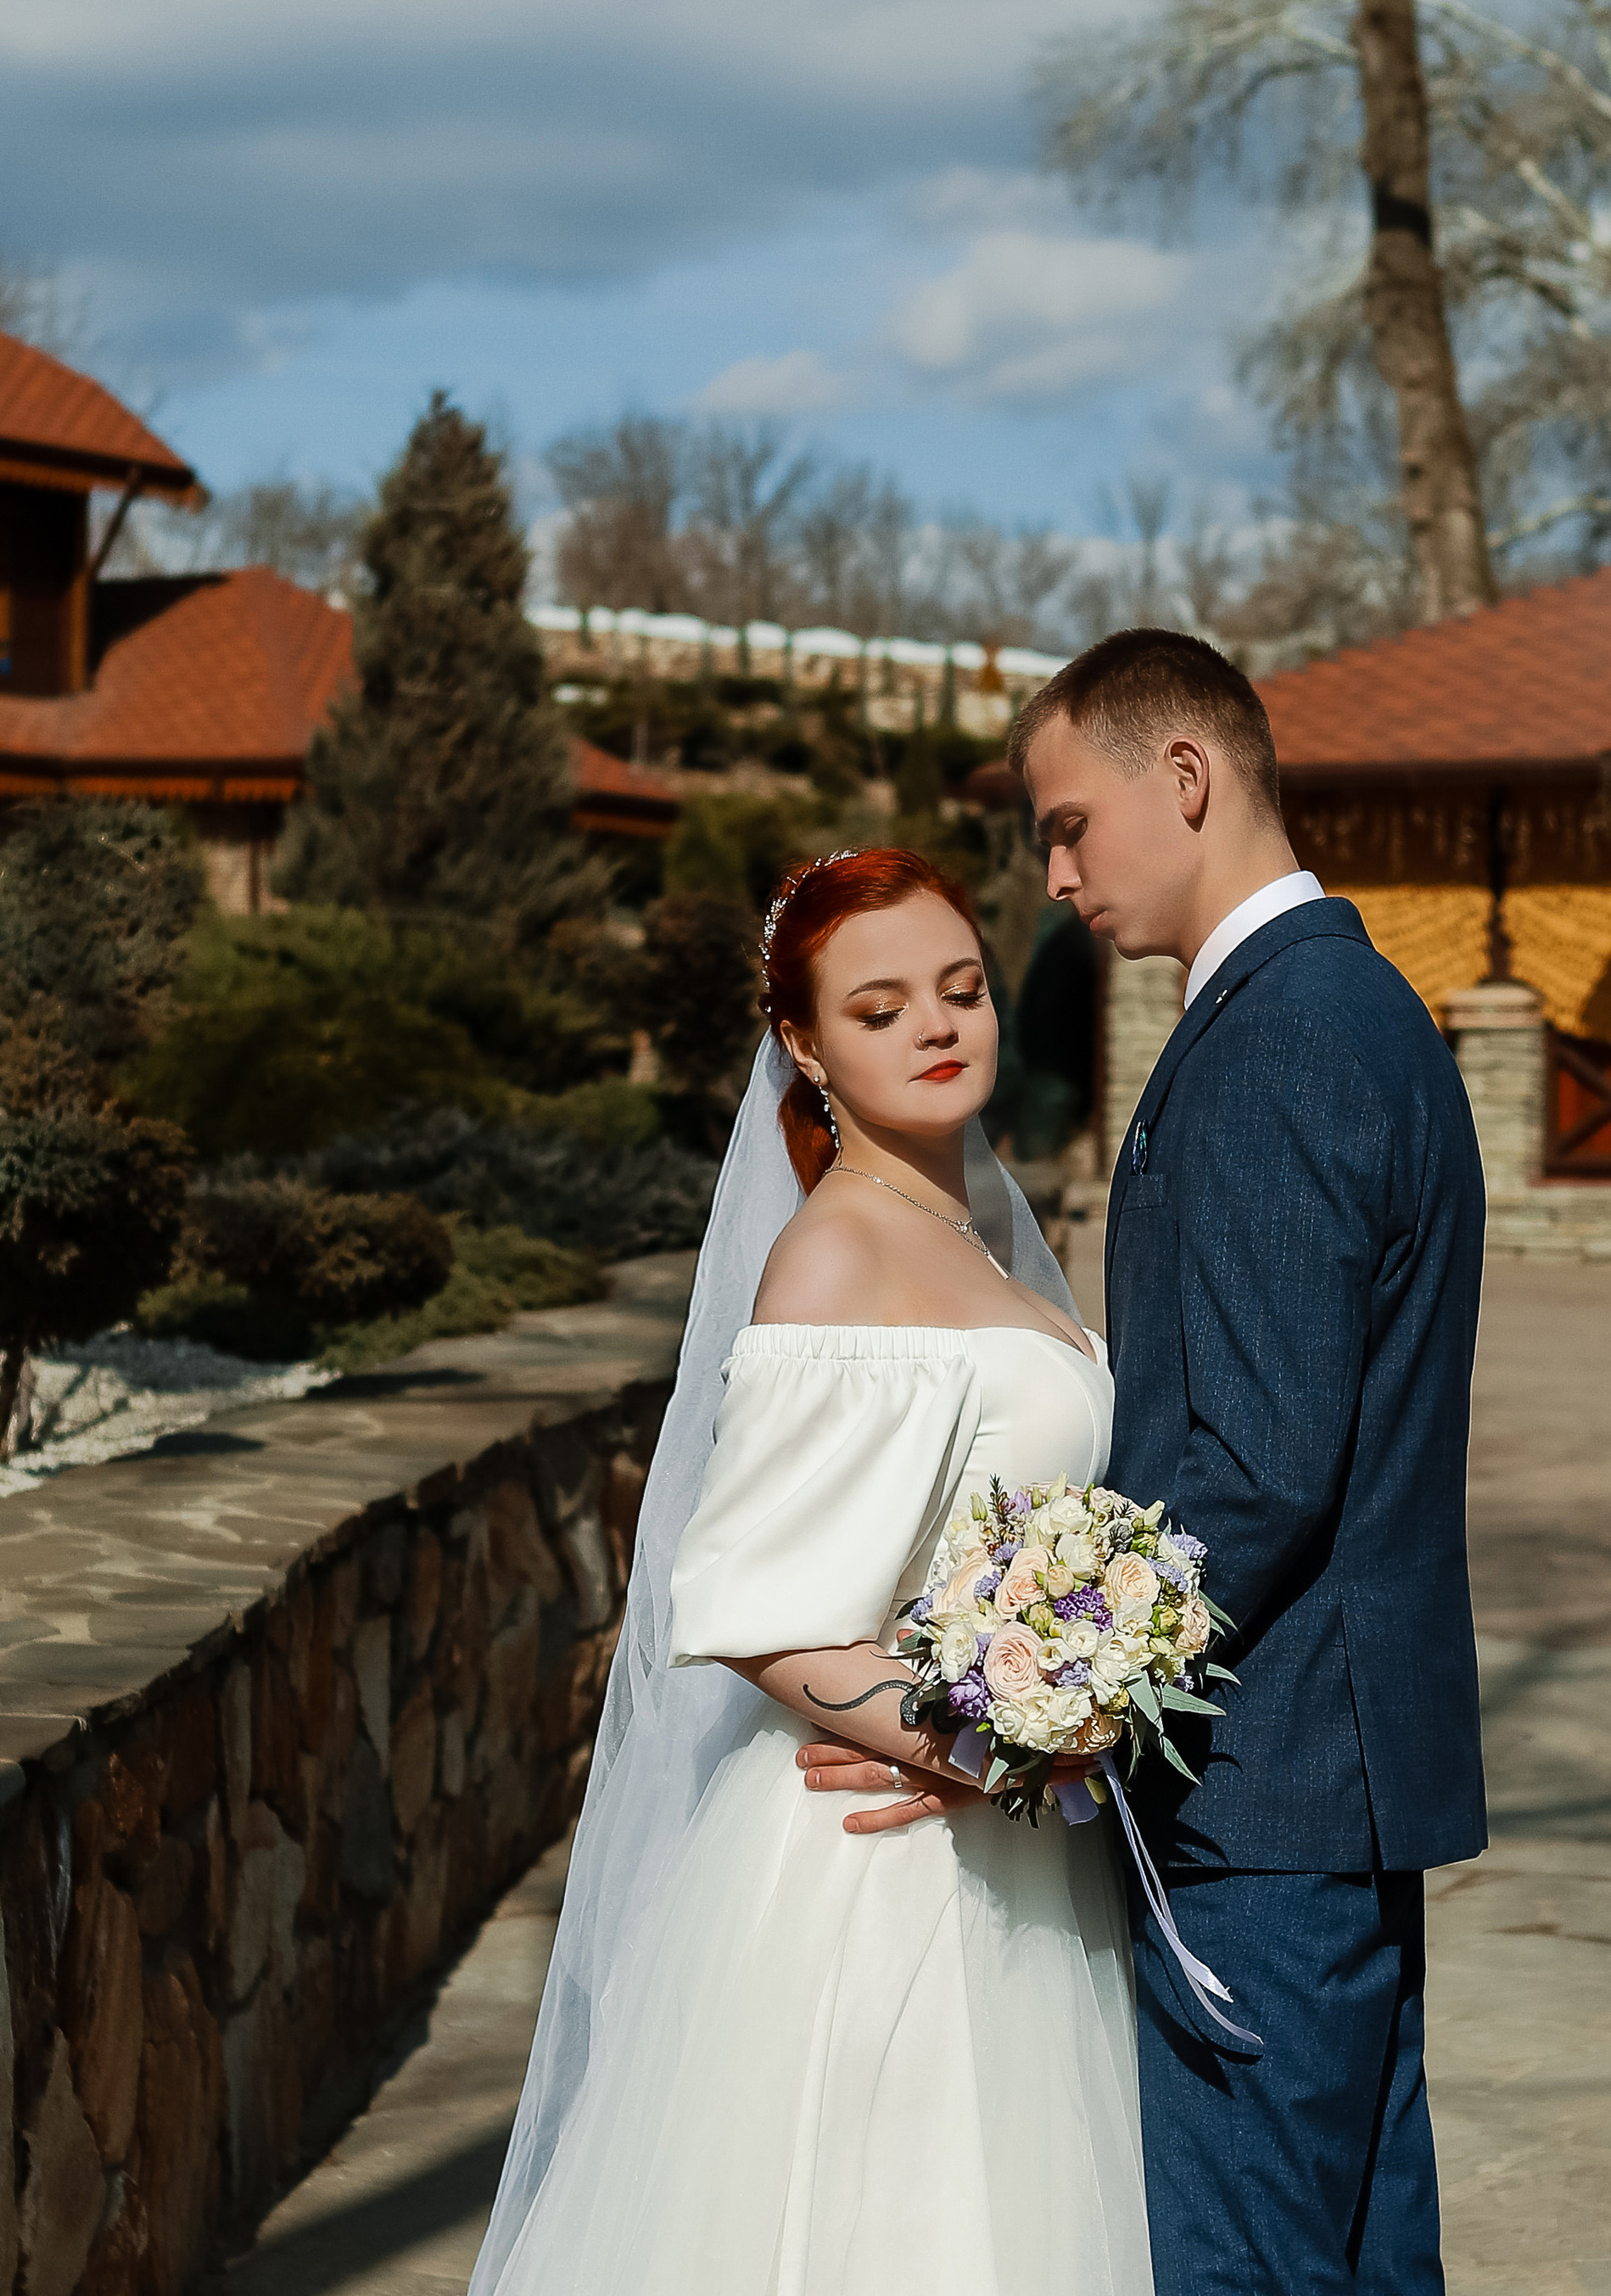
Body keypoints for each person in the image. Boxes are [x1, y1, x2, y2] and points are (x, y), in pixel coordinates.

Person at [807, 630, 1484, 2296]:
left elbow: (1254, 1466)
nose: (1052, 877)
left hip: (1259, 1800)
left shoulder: (1278, 1038)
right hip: (1332, 1786)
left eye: (1066, 826)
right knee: (1360, 2254)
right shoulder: (1357, 1005)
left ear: (1182, 778)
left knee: (1245, 2263)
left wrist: (1004, 1722)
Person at [469, 845, 1153, 2296]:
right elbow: (754, 1612)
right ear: (805, 1044)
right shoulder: (834, 1258)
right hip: (878, 1873)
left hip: (1014, 1851)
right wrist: (996, 1750)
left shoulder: (980, 1231)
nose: (939, 1027)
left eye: (962, 989)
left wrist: (1064, 1718)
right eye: (881, 1008)